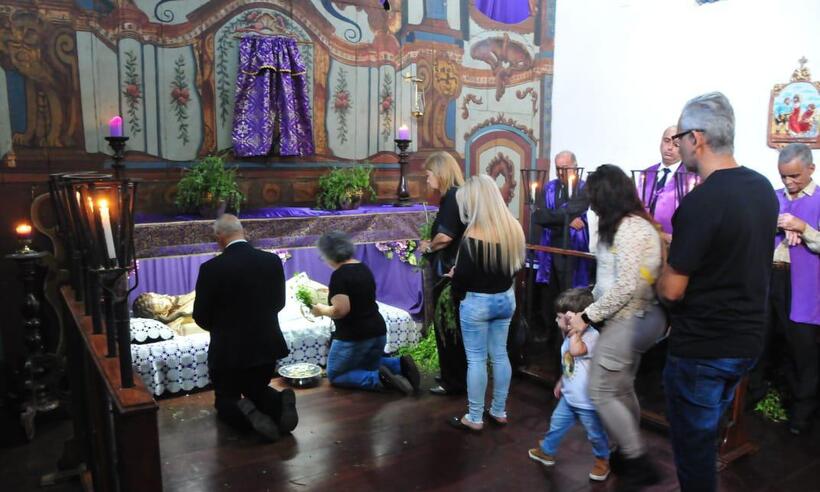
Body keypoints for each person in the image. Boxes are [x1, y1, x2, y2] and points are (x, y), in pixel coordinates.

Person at [656, 92, 779, 492]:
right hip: (746, 341)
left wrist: (659, 264)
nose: (677, 146)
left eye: (680, 138)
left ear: (698, 138)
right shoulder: (761, 188)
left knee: (693, 458)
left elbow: (673, 290)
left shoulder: (702, 201)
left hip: (703, 347)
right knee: (708, 435)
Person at [565, 164, 667, 491]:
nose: (590, 203)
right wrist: (584, 306)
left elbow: (627, 287)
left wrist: (587, 317)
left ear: (607, 195)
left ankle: (637, 460)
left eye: (593, 196)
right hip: (624, 316)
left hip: (634, 317)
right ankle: (627, 453)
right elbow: (607, 281)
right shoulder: (618, 226)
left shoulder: (633, 228)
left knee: (600, 389)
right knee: (621, 388)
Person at [193, 214, 298, 442]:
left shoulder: (211, 268)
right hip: (266, 345)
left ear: (219, 237)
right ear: (242, 232)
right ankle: (280, 404)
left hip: (229, 349)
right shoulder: (271, 261)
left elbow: (200, 315)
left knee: (225, 397)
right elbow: (279, 303)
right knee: (257, 388)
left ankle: (247, 416)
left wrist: (222, 329)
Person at [445, 174, 525, 432]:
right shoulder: (514, 228)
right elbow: (515, 267)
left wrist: (455, 280)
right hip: (505, 299)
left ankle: (475, 417)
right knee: (500, 355)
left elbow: (463, 280)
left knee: (477, 360)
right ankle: (499, 410)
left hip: (477, 303)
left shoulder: (473, 236)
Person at [311, 230, 420, 395]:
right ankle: (400, 365)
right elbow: (356, 295)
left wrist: (321, 310)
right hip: (377, 331)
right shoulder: (362, 267)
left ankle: (379, 380)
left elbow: (341, 310)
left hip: (354, 336)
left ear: (329, 255)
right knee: (369, 362)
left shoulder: (339, 275)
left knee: (336, 375)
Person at [528, 288, 610, 482]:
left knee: (595, 434)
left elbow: (575, 352)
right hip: (569, 396)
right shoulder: (568, 337)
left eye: (559, 318)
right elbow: (570, 364)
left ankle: (602, 460)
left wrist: (575, 330)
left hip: (588, 402)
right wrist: (561, 380)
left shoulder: (591, 336)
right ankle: (547, 451)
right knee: (556, 424)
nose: (556, 322)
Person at [771, 143, 820, 435]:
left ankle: (802, 415)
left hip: (804, 285)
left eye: (795, 177)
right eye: (784, 177)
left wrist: (803, 227)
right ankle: (761, 399)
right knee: (767, 343)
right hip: (771, 278)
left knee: (801, 349)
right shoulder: (774, 198)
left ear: (811, 169)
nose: (789, 183)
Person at [419, 151, 468, 396]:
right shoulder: (459, 194)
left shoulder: (452, 197)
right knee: (452, 325)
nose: (427, 180)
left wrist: (428, 245)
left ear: (440, 173)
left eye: (428, 175)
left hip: (447, 269)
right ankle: (453, 375)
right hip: (455, 268)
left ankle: (453, 380)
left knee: (447, 325)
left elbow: (446, 236)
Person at [639, 126, 686, 238]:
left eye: (676, 145)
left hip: (674, 242)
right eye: (666, 141)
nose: (669, 147)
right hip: (644, 241)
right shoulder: (646, 174)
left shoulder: (689, 178)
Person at [132, 291, 206, 336]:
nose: (165, 296)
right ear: (162, 314)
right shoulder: (175, 327)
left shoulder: (179, 301)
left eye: (158, 296)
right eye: (162, 303)